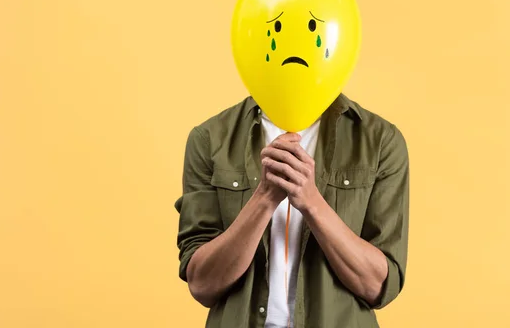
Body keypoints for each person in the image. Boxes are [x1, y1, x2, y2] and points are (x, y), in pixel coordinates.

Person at [175, 93, 409, 328]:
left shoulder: (379, 140)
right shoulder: (210, 138)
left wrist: (311, 202)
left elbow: (379, 286)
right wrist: (264, 199)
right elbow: (202, 284)